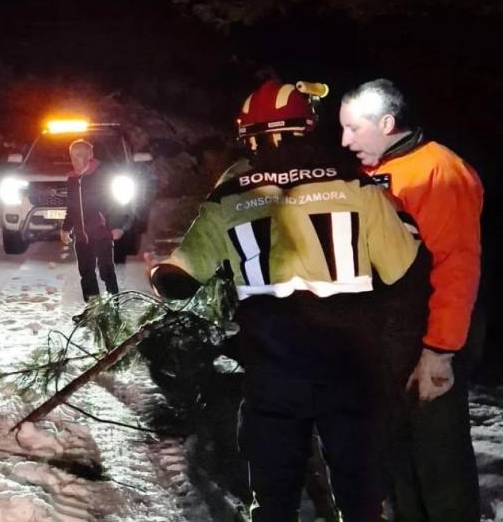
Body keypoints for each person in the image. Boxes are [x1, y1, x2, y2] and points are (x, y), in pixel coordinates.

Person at [149, 80, 420, 521]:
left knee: (274, 493)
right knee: (360, 489)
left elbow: (180, 279)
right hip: (350, 363)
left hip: (274, 367)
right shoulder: (354, 182)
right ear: (306, 127)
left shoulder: (230, 193)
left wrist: (159, 272)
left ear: (250, 136)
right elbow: (400, 268)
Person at [340, 78, 482, 521]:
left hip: (429, 346)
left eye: (353, 129)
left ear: (387, 122)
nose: (344, 141)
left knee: (440, 469)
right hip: (390, 348)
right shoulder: (373, 174)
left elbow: (457, 267)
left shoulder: (436, 171)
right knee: (400, 470)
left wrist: (439, 353)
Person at [61, 139, 129, 302]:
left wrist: (116, 225)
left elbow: (113, 202)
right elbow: (71, 207)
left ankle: (114, 302)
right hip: (81, 235)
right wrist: (65, 228)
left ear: (89, 155)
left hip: (101, 231)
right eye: (73, 155)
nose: (75, 159)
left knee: (106, 269)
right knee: (86, 272)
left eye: (80, 155)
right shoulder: (72, 179)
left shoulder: (101, 176)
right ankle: (93, 307)